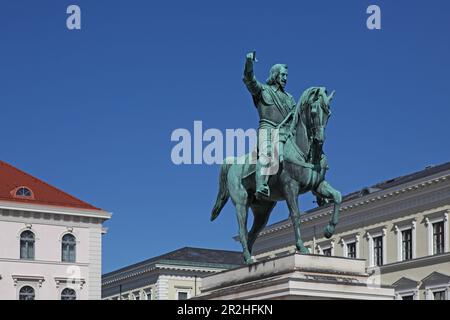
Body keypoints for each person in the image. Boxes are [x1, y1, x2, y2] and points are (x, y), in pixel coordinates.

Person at [243, 52, 296, 199]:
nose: (285, 78)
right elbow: (249, 79)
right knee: (266, 152)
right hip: (267, 128)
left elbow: (295, 118)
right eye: (283, 75)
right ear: (275, 75)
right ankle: (261, 184)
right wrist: (249, 63)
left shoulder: (290, 98)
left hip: (285, 132)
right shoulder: (263, 90)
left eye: (286, 76)